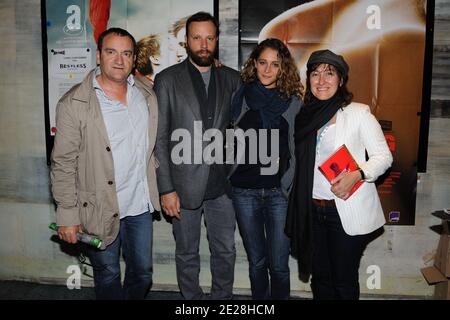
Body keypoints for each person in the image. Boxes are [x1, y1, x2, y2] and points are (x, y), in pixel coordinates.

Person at [50, 28, 160, 300]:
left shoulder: (146, 93)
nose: (119, 60)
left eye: (126, 53)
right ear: (99, 55)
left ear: (134, 59)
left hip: (139, 206)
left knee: (143, 272)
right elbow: (63, 164)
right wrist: (67, 215)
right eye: (111, 52)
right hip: (98, 206)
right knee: (108, 274)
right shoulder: (73, 103)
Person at [286, 49, 392, 300]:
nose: (321, 80)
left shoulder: (358, 113)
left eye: (329, 73)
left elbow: (384, 156)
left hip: (344, 210)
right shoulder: (303, 116)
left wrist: (358, 174)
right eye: (315, 73)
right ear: (308, 78)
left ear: (341, 80)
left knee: (343, 280)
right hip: (311, 209)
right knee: (320, 278)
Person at [154, 11, 240, 300]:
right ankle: (192, 301)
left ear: (216, 40)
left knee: (225, 251)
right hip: (182, 185)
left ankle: (221, 300)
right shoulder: (166, 80)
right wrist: (166, 188)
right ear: (187, 41)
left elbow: (242, 128)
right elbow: (161, 138)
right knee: (187, 252)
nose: (203, 44)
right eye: (196, 38)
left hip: (222, 187)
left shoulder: (232, 79)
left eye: (209, 38)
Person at [229, 38, 303, 300]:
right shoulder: (240, 95)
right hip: (244, 192)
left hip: (278, 194)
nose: (268, 70)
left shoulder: (293, 102)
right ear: (254, 64)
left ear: (283, 69)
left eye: (275, 64)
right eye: (263, 62)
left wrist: (288, 184)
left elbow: (298, 148)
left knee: (279, 266)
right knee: (257, 263)